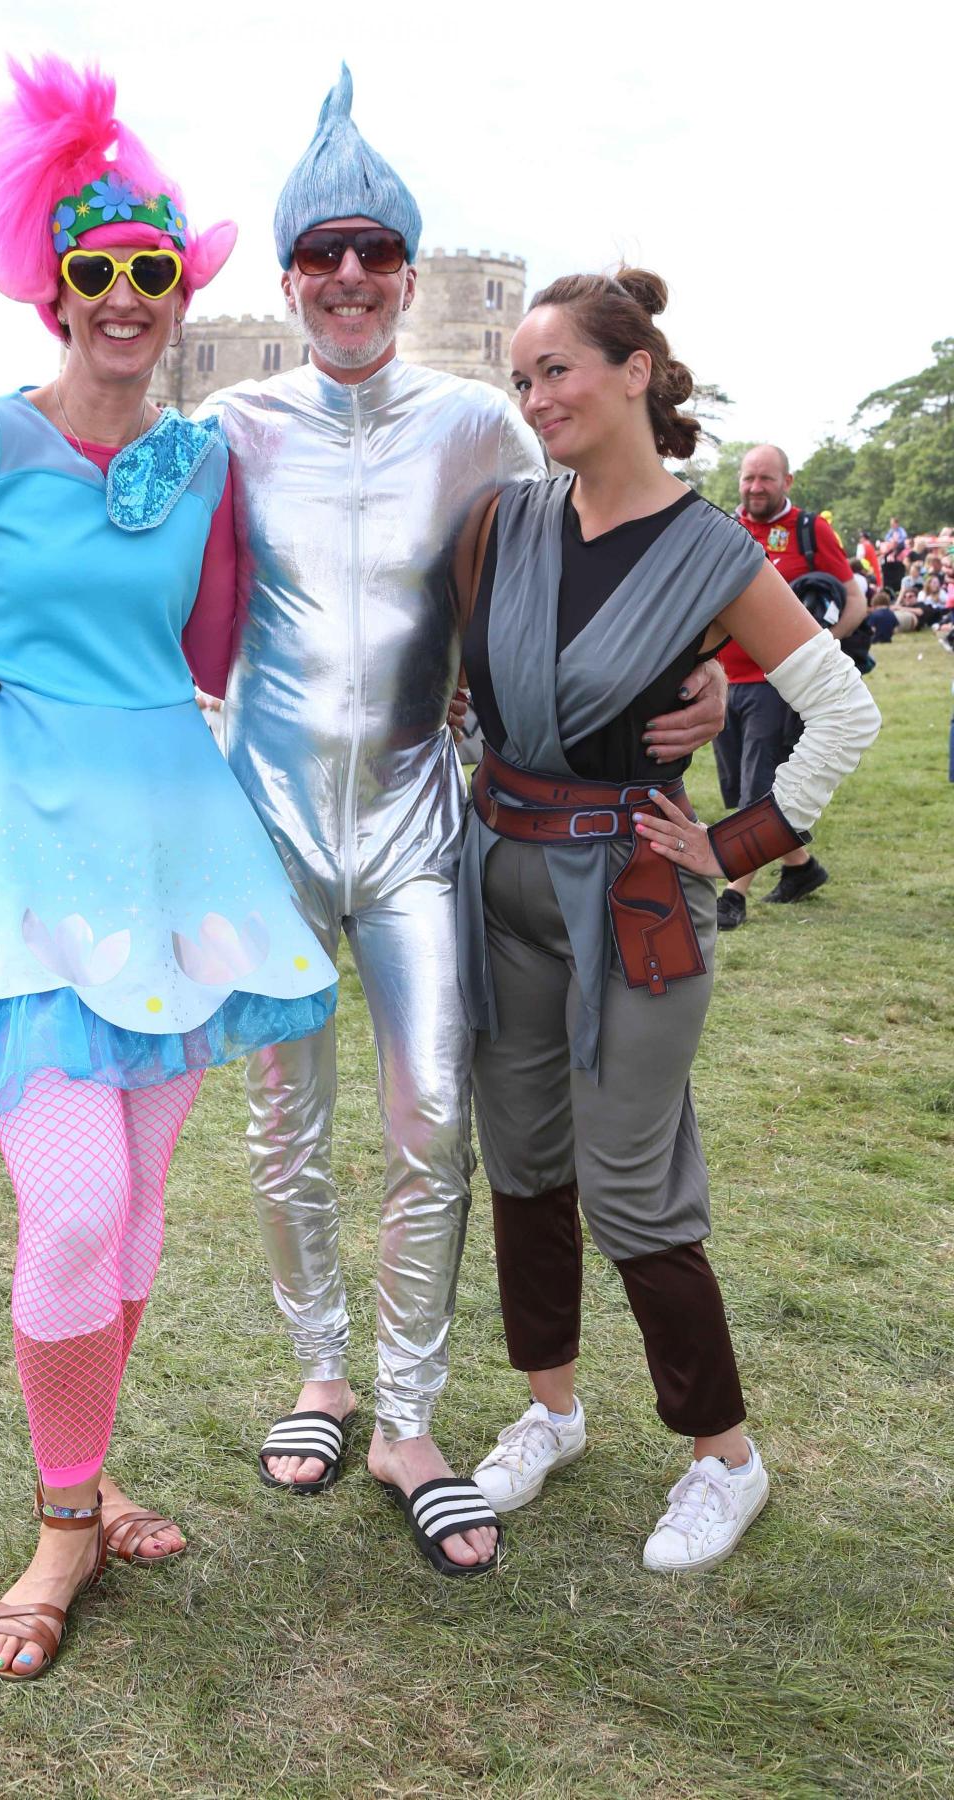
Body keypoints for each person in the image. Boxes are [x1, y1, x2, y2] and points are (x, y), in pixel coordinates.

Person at [0, 66, 729, 1578]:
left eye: (374, 253)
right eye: (322, 254)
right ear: (293, 279)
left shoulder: (483, 425)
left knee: (432, 1118)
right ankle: (318, 1372)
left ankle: (409, 1417)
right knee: (283, 1121)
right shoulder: (225, 425)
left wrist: (694, 671)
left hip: (422, 823)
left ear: (409, 275)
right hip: (265, 827)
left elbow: (614, 537)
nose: (350, 277)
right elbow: (67, 520)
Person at [0, 56, 338, 1680]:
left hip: (180, 867)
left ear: (177, 295)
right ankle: (62, 1526)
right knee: (68, 1206)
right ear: (54, 290)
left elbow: (200, 648)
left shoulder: (206, 466)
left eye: (150, 275)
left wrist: (223, 518)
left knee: (129, 1225)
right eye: (94, 275)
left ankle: (87, 1464)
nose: (123, 299)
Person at [457, 268, 880, 1570]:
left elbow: (843, 710)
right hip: (500, 880)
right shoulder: (503, 523)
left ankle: (724, 1458)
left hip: (636, 899)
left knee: (633, 1185)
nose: (537, 400)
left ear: (635, 371)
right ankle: (551, 1410)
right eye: (523, 381)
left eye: (558, 372)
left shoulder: (713, 553)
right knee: (524, 1162)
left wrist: (739, 840)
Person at [711, 444, 865, 929]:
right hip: (726, 680)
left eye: (767, 479)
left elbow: (854, 598)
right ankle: (801, 869)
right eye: (749, 478)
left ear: (787, 482)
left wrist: (818, 653)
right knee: (738, 786)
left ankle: (733, 894)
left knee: (760, 787)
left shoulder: (809, 529)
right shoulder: (724, 528)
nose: (756, 487)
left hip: (776, 683)